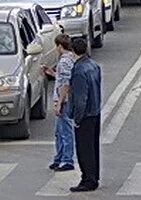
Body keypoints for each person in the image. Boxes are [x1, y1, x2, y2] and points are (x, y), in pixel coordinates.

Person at [68, 36, 101, 192]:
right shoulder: (93, 66)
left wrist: (77, 117)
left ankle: (88, 179)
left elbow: (81, 98)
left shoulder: (79, 70)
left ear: (73, 51)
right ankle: (93, 176)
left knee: (84, 149)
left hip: (86, 115)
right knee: (93, 147)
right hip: (95, 112)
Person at [47, 34, 76, 172]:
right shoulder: (70, 58)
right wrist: (52, 73)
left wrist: (59, 102)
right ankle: (59, 158)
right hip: (64, 99)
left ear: (59, 46)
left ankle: (67, 159)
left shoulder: (64, 61)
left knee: (65, 131)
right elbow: (62, 77)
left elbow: (65, 83)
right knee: (59, 131)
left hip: (64, 100)